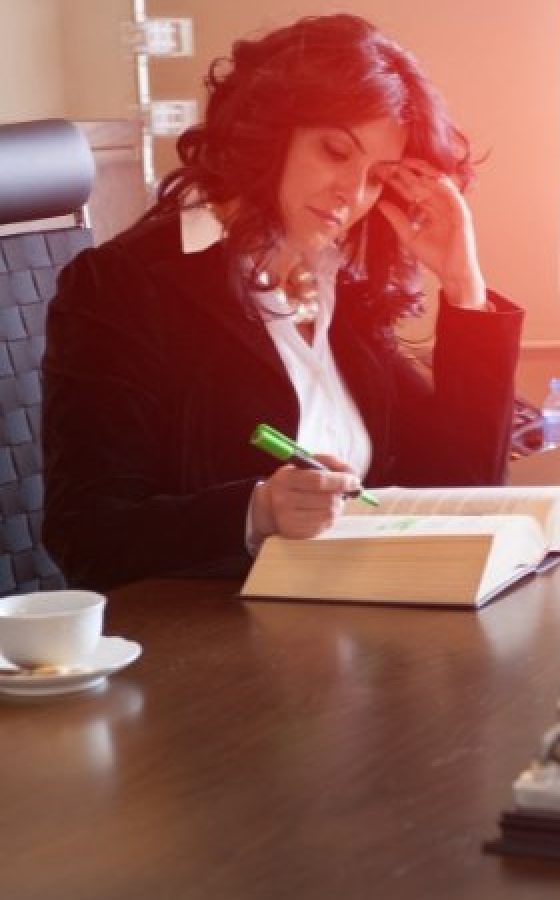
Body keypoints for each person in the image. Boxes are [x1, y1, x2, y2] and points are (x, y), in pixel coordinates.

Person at [41, 13, 524, 591]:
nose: (353, 192)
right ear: (270, 130)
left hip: (355, 629)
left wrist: (462, 284)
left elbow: (463, 488)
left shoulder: (338, 285)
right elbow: (87, 537)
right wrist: (257, 511)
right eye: (335, 150)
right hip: (216, 651)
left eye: (378, 176)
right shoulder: (124, 286)